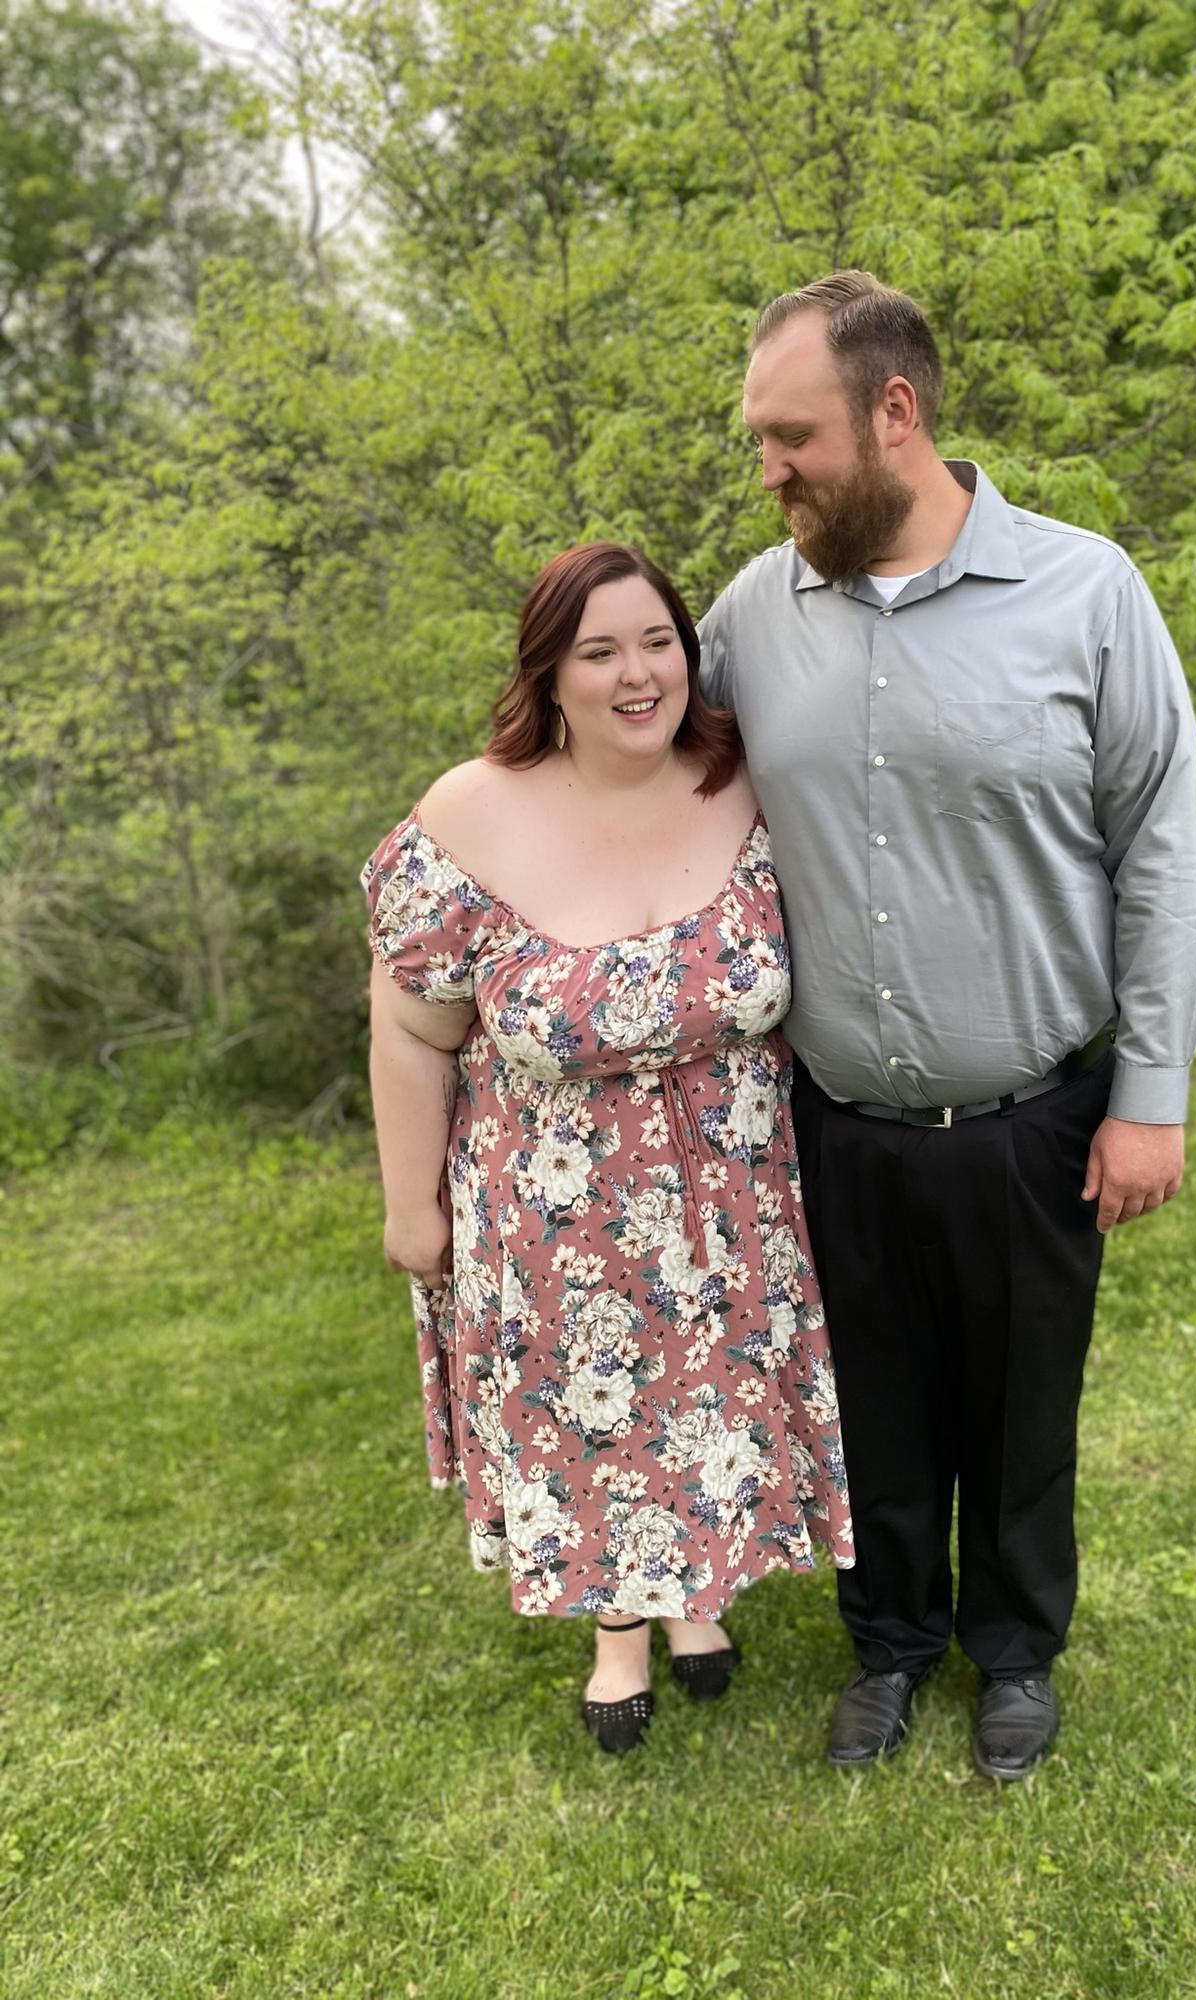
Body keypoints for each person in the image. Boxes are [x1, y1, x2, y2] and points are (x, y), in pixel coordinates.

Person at [697, 272, 1196, 1780]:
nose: (769, 469)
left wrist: (1153, 1093)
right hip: (833, 1117)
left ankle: (1015, 1653)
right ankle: (890, 1643)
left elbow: (1160, 848)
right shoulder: (751, 614)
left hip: (1033, 1113)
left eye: (792, 437)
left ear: (896, 412)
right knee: (875, 1405)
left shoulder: (1087, 591)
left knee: (1022, 1409)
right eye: (759, 440)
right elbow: (635, 760)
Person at [362, 541, 854, 1754]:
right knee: (589, 1415)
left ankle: (696, 1596)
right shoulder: (470, 814)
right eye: (599, 651)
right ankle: (617, 1630)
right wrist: (410, 1204)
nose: (638, 674)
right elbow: (411, 1028)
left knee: (707, 1400)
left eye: (656, 642)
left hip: (735, 1200)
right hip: (552, 1209)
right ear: (549, 674)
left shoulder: (750, 785)